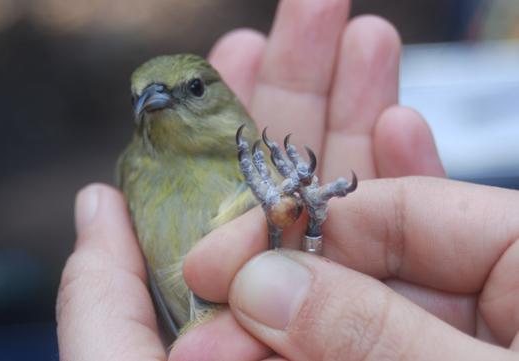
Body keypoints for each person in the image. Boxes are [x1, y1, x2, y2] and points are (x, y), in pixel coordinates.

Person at [56, 1, 519, 360]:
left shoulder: (257, 151)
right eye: (144, 97)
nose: (157, 100)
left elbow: (290, 259)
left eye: (193, 88)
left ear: (222, 96)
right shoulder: (136, 170)